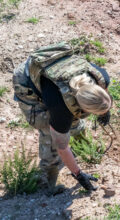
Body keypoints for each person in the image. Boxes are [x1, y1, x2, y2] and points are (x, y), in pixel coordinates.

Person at [12, 42, 112, 195]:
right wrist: (78, 174)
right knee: (49, 132)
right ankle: (47, 179)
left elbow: (103, 92)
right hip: (27, 80)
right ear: (84, 108)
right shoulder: (61, 109)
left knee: (73, 124)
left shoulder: (101, 78)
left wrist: (105, 111)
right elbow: (61, 146)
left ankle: (83, 147)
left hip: (53, 73)